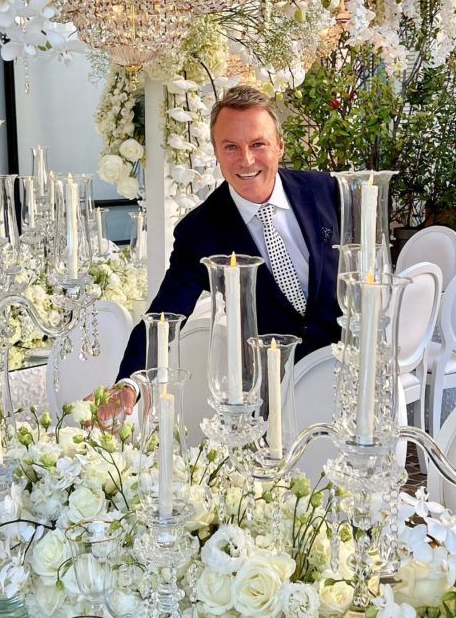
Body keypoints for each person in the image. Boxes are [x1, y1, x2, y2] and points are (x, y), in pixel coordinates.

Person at [107, 84, 341, 418]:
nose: (246, 160)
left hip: (345, 372)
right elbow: (164, 315)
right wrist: (128, 383)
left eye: (258, 144)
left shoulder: (325, 191)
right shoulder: (200, 231)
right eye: (231, 147)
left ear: (280, 146)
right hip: (272, 399)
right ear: (216, 153)